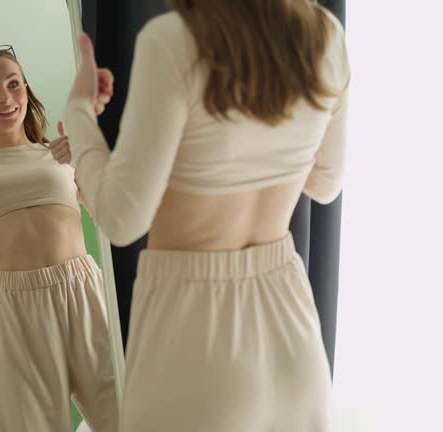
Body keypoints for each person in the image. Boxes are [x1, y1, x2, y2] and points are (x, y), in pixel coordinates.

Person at [57, 0, 350, 430]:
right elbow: (326, 184)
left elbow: (122, 219)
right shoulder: (324, 34)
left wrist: (79, 113)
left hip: (192, 335)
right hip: (292, 331)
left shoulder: (174, 39)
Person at [0, 46, 117, 432]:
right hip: (19, 306)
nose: (5, 98)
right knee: (31, 424)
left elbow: (112, 221)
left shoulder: (59, 154)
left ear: (27, 92)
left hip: (83, 288)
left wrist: (87, 158)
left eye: (14, 85)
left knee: (125, 414)